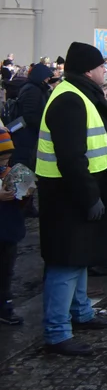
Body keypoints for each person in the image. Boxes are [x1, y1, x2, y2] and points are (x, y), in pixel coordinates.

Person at [35, 42, 107, 356]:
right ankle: (57, 333)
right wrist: (90, 197)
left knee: (80, 255)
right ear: (89, 69)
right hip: (68, 194)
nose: (106, 71)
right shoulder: (70, 99)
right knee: (67, 261)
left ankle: (82, 313)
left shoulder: (79, 93)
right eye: (102, 66)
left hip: (78, 190)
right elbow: (71, 157)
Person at [0, 128, 31, 326]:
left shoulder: (10, 171)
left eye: (7, 158)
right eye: (2, 158)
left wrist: (26, 194)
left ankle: (5, 306)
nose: (4, 162)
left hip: (9, 230)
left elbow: (22, 203)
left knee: (6, 271)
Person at [9, 62, 53, 170]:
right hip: (27, 134)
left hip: (26, 133)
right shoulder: (33, 90)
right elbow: (29, 114)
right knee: (24, 163)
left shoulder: (31, 87)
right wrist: (43, 124)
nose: (48, 81)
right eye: (46, 79)